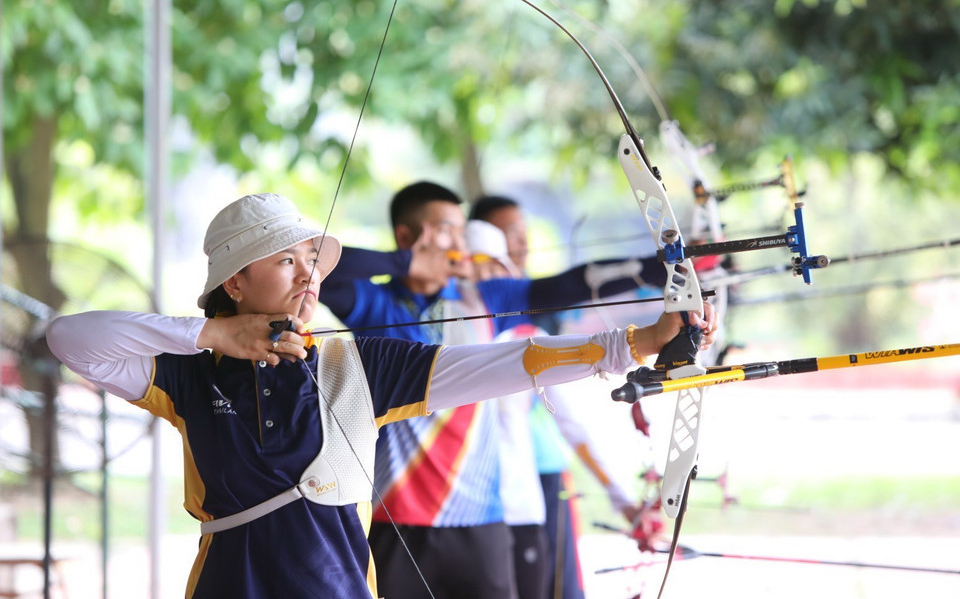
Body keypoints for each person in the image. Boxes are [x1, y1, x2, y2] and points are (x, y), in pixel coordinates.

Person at [44, 192, 717, 599]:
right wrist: (211, 332)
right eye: (286, 259)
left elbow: (508, 364)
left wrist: (636, 342)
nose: (309, 272)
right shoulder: (185, 374)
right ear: (236, 283)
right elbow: (68, 337)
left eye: (311, 257)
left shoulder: (358, 364)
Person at [318, 182, 696, 599]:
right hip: (395, 517)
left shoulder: (482, 297)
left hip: (482, 518)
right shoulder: (374, 304)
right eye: (446, 230)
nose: (459, 244)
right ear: (408, 236)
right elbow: (316, 265)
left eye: (462, 232)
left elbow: (566, 286)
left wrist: (662, 267)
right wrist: (403, 262)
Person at [470, 194, 652, 599]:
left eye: (523, 234)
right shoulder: (462, 324)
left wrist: (620, 495)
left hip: (536, 483)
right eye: (506, 236)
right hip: (477, 502)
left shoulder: (528, 325)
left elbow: (568, 416)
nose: (520, 245)